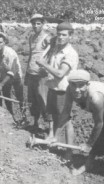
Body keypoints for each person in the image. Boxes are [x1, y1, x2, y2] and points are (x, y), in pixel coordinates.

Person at [35, 22, 79, 159]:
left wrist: (44, 65)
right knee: (54, 116)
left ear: (70, 36)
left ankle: (69, 152)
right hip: (53, 87)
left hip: (64, 90)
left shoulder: (70, 53)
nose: (60, 37)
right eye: (58, 34)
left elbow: (60, 73)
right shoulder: (56, 48)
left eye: (64, 35)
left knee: (65, 120)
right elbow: (49, 43)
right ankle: (55, 143)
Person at [25, 14, 51, 129]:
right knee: (32, 100)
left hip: (41, 75)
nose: (35, 26)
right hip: (31, 73)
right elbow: (31, 55)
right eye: (33, 23)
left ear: (43, 24)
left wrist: (46, 68)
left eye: (38, 23)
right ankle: (36, 123)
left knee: (43, 99)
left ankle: (50, 127)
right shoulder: (32, 38)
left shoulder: (47, 38)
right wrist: (26, 72)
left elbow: (52, 54)